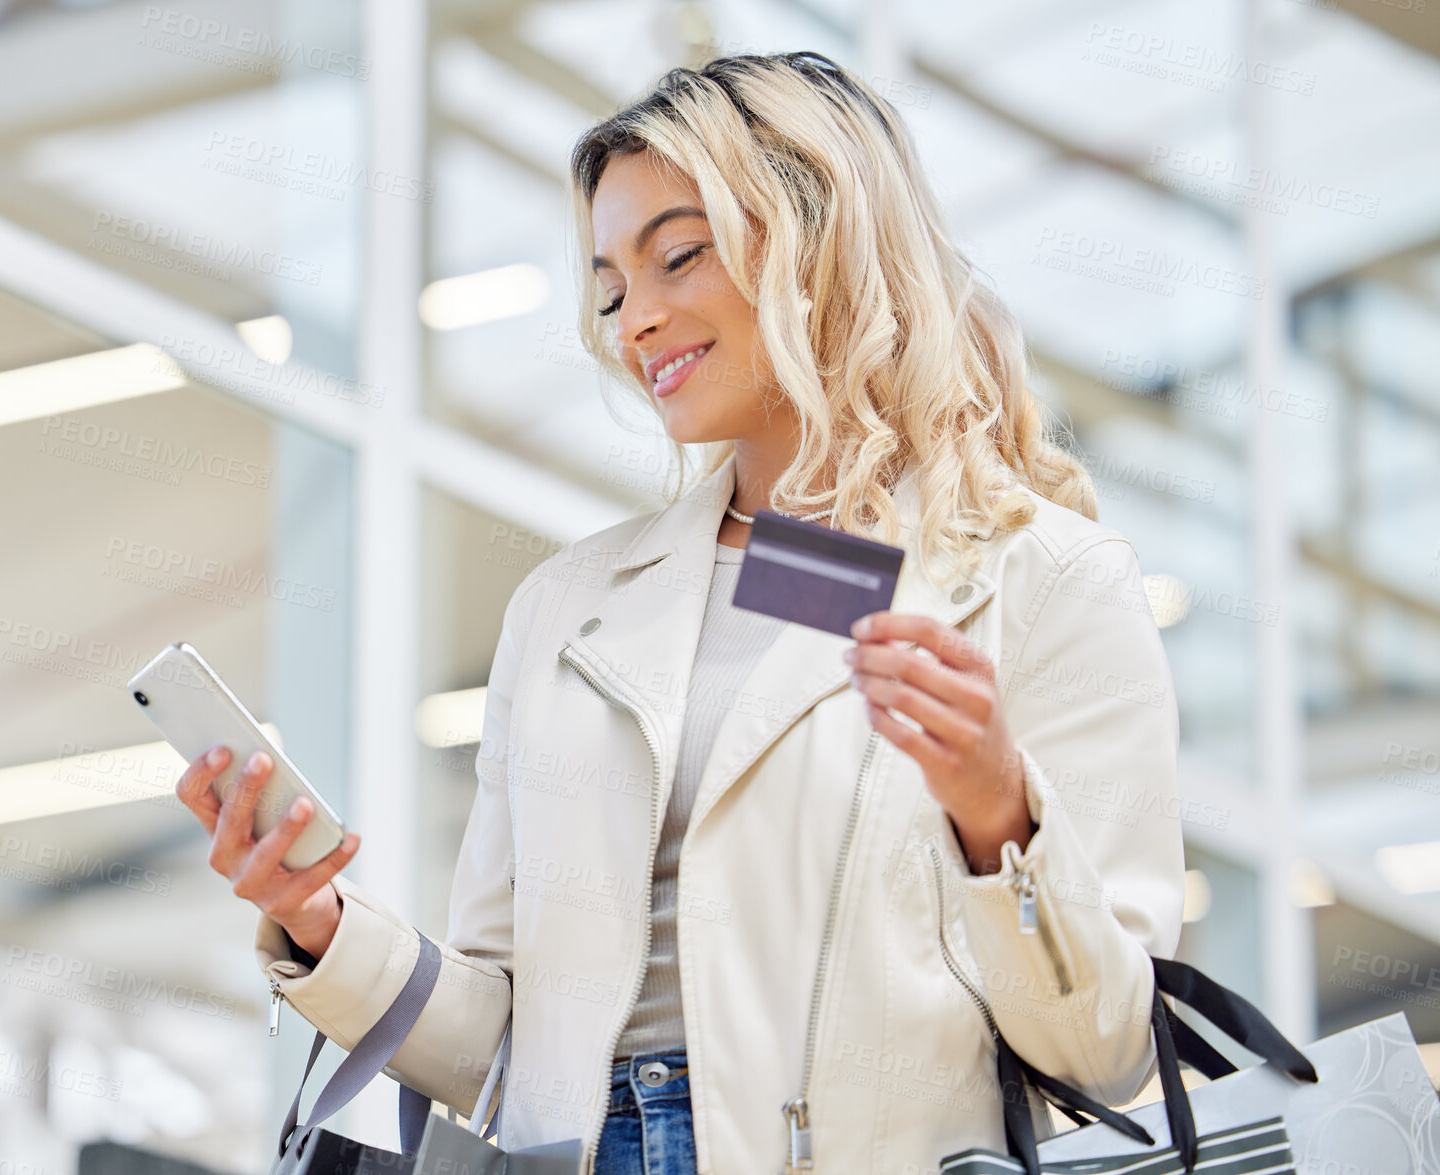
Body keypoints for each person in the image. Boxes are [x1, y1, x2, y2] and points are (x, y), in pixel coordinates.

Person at [174, 50, 1185, 1175]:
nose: (634, 320)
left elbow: (1103, 1053)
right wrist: (322, 923)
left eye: (678, 257)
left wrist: (997, 812)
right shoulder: (563, 610)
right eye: (610, 285)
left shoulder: (1046, 580)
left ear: (820, 239)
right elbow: (508, 1047)